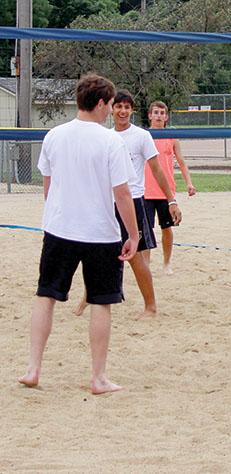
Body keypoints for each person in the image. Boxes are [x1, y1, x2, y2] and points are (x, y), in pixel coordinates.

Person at [18, 73, 139, 394]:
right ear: (101, 104)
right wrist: (134, 234)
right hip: (100, 233)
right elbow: (123, 194)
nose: (112, 111)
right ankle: (98, 378)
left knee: (46, 296)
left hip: (60, 229)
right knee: (102, 303)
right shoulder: (110, 140)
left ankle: (33, 369)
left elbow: (48, 185)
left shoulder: (54, 135)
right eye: (111, 105)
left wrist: (58, 214)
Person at [74, 90, 182, 319]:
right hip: (106, 201)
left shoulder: (141, 136)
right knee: (97, 254)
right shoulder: (104, 136)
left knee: (137, 258)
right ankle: (88, 297)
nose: (122, 111)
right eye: (118, 106)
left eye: (127, 107)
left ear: (132, 110)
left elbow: (157, 170)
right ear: (111, 109)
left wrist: (171, 199)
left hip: (132, 201)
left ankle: (150, 306)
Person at [144, 100, 196, 275]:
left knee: (167, 228)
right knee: (146, 230)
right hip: (146, 190)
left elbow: (181, 162)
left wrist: (189, 183)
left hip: (166, 192)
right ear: (150, 115)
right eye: (155, 112)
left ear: (166, 117)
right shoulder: (144, 136)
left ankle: (167, 263)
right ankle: (146, 265)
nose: (158, 116)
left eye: (162, 113)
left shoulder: (172, 137)